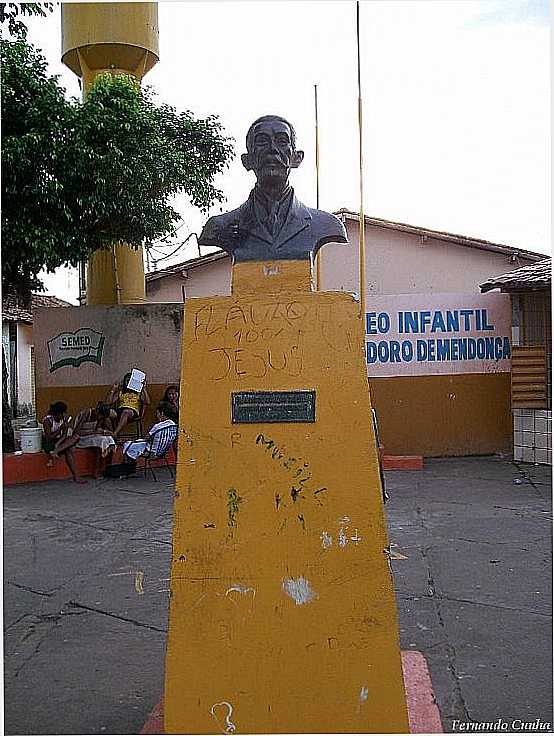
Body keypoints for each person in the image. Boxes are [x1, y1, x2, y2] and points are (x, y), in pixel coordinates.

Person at [198, 115, 348, 262]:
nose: (273, 149)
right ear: (247, 161)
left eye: (282, 141)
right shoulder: (219, 227)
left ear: (297, 158)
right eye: (262, 141)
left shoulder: (326, 225)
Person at [50, 402, 116, 479]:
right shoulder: (87, 413)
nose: (100, 418)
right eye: (100, 415)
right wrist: (95, 432)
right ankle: (96, 471)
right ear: (97, 411)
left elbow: (97, 430)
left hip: (91, 436)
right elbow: (77, 432)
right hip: (81, 438)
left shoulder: (101, 418)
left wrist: (105, 432)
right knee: (101, 441)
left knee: (107, 439)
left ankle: (103, 468)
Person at [42, 401, 86, 483]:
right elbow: (49, 438)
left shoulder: (64, 421)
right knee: (68, 450)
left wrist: (58, 444)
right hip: (49, 443)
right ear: (58, 413)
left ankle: (55, 452)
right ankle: (76, 477)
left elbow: (64, 436)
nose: (64, 415)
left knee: (75, 437)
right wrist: (60, 429)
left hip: (58, 443)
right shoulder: (47, 420)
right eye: (63, 413)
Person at [106, 372, 150, 438]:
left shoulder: (138, 393)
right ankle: (111, 433)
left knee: (126, 412)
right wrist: (113, 389)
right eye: (127, 380)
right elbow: (108, 402)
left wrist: (143, 389)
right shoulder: (121, 392)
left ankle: (115, 433)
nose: (128, 382)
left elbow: (147, 402)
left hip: (132, 411)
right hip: (120, 411)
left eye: (130, 381)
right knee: (105, 412)